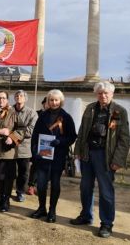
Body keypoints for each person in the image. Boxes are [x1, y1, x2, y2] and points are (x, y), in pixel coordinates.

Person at [70, 81, 130, 238]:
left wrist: (118, 159)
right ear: (96, 94)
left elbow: (124, 138)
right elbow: (82, 131)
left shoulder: (119, 111)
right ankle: (86, 215)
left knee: (106, 191)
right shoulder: (90, 108)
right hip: (87, 154)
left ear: (112, 94)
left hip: (106, 157)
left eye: (106, 93)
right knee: (85, 187)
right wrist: (77, 150)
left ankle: (106, 223)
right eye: (100, 93)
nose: (103, 96)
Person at [30, 89, 77, 223]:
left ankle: (52, 211)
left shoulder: (66, 117)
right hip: (43, 155)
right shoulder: (42, 116)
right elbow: (35, 135)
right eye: (51, 100)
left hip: (58, 156)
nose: (54, 102)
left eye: (56, 100)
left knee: (55, 184)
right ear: (48, 101)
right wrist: (34, 151)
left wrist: (60, 141)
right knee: (41, 184)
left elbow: (72, 136)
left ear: (60, 101)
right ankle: (41, 208)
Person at [12, 90, 38, 202]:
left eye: (21, 96)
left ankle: (20, 191)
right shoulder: (9, 110)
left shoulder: (32, 113)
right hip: (10, 147)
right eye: (16, 95)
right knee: (9, 171)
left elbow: (30, 130)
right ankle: (5, 191)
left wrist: (13, 134)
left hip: (24, 148)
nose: (18, 97)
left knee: (23, 172)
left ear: (25, 98)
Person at [27, 97, 48, 196]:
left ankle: (41, 186)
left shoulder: (55, 115)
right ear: (43, 104)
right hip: (36, 142)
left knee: (44, 166)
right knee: (35, 165)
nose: (48, 104)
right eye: (46, 102)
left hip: (47, 143)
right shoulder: (37, 114)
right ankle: (31, 185)